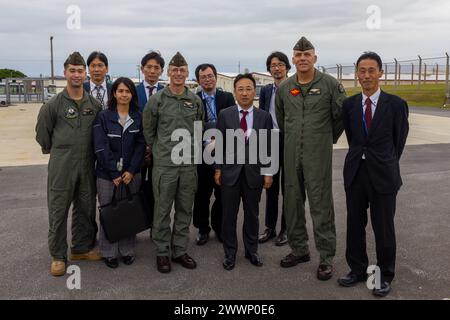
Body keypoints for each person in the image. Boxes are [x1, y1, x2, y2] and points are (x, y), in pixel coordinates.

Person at [338, 52, 409, 297]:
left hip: (383, 174)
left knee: (383, 226)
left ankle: (383, 275)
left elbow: (398, 141)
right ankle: (357, 270)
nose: (366, 75)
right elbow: (353, 137)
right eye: (362, 70)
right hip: (356, 172)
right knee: (354, 224)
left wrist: (385, 162)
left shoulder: (396, 105)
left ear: (380, 73)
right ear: (357, 74)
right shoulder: (349, 105)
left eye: (371, 70)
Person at [275, 36, 345, 281]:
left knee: (321, 205)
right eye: (298, 55)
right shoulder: (284, 88)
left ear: (315, 58)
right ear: (293, 59)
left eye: (307, 55)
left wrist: (324, 139)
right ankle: (299, 249)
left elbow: (340, 117)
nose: (302, 58)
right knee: (292, 203)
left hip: (318, 156)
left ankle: (326, 257)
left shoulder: (329, 85)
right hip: (291, 153)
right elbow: (283, 119)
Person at [36, 52, 102, 277]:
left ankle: (81, 248)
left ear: (85, 74)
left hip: (87, 164)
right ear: (65, 73)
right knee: (58, 210)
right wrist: (59, 152)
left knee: (86, 207)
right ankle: (57, 255)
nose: (76, 74)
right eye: (72, 70)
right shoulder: (52, 105)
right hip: (61, 166)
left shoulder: (94, 105)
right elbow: (43, 137)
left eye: (80, 70)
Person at [143, 52, 204, 273]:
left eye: (182, 70)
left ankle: (179, 250)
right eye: (174, 70)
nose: (178, 74)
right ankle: (162, 252)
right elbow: (148, 131)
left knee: (184, 210)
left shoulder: (195, 101)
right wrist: (160, 151)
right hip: (165, 166)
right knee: (161, 211)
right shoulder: (157, 100)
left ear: (187, 74)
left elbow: (199, 130)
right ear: (168, 73)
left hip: (187, 166)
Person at [215, 73, 274, 270]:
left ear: (254, 91)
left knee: (252, 214)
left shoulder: (264, 116)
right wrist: (218, 169)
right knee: (229, 216)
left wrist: (268, 172)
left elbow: (268, 147)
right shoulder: (225, 114)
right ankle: (229, 253)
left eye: (249, 89)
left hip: (254, 174)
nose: (245, 93)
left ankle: (252, 251)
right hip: (230, 173)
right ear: (234, 92)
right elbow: (220, 144)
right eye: (240, 89)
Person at [92, 77, 145, 269]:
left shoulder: (138, 116)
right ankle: (108, 251)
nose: (124, 94)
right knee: (109, 211)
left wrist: (131, 170)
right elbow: (100, 147)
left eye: (127, 91)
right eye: (120, 91)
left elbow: (141, 145)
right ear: (114, 93)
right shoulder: (103, 117)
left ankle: (127, 250)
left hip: (132, 174)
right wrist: (113, 172)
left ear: (132, 94)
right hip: (107, 175)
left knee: (129, 212)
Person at [193, 63, 235, 246]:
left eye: (210, 76)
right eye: (203, 77)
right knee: (201, 193)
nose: (208, 79)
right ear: (198, 80)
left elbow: (233, 122)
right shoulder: (193, 100)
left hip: (223, 151)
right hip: (202, 152)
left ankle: (219, 227)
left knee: (222, 192)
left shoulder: (226, 97)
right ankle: (202, 229)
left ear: (216, 77)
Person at [258, 51, 291, 246]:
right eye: (272, 65)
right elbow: (262, 117)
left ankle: (286, 229)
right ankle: (270, 227)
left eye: (280, 64)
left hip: (289, 141)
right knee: (270, 187)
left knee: (288, 188)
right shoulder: (266, 90)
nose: (276, 68)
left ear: (287, 67)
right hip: (271, 140)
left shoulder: (294, 88)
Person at [136, 51, 166, 231]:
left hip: (160, 150)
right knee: (135, 190)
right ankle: (135, 226)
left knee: (159, 191)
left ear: (161, 71)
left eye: (156, 67)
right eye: (149, 67)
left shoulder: (166, 92)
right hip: (138, 149)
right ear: (142, 69)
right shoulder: (133, 91)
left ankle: (158, 228)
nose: (152, 71)